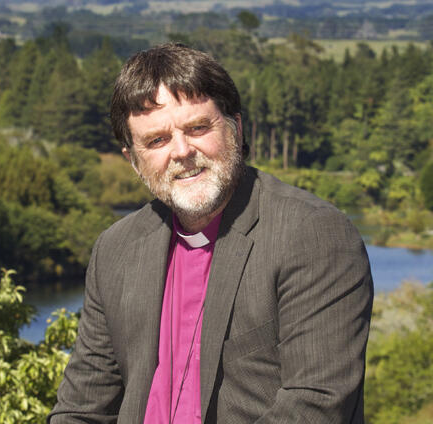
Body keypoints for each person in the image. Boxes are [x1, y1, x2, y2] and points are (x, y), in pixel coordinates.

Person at [48, 43, 373, 423]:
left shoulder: (312, 234)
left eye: (197, 128)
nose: (182, 151)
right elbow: (82, 407)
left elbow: (316, 403)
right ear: (133, 161)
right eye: (157, 140)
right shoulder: (116, 249)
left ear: (235, 126)